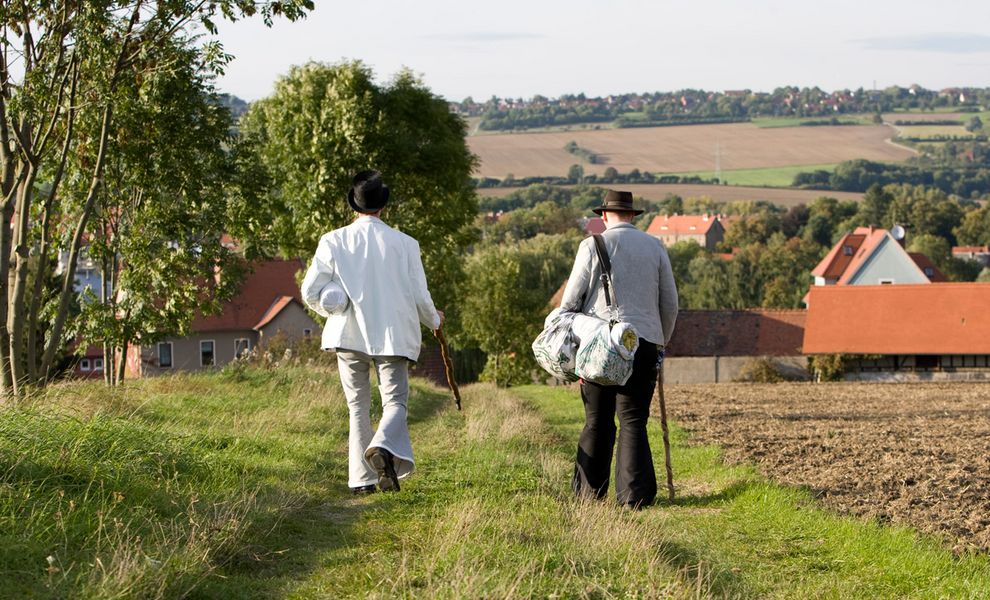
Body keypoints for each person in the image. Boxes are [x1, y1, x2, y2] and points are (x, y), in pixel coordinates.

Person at [300, 170, 443, 494]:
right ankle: (381, 446)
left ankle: (361, 481)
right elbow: (420, 295)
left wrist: (332, 310)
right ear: (383, 206)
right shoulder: (405, 244)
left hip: (347, 335)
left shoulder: (332, 240)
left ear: (354, 205)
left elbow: (310, 291)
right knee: (395, 403)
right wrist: (434, 320)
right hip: (392, 336)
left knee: (357, 408)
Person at [559, 189, 678, 508]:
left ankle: (588, 495)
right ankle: (634, 498)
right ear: (633, 216)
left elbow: (569, 304)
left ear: (603, 216)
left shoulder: (592, 245)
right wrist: (659, 342)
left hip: (602, 344)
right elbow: (670, 304)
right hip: (644, 343)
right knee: (634, 420)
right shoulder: (655, 246)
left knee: (597, 419)